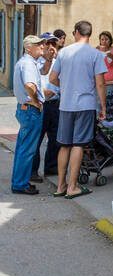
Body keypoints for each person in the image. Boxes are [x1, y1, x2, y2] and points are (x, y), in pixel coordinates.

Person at [48, 20, 107, 200]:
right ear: (90, 34)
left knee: (64, 144)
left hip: (66, 103)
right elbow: (100, 83)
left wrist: (64, 87)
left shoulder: (63, 52)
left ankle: (61, 185)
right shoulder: (95, 54)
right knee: (78, 144)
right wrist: (103, 106)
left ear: (76, 32)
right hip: (85, 103)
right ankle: (73, 186)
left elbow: (52, 78)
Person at [11, 35, 46, 195]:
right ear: (28, 48)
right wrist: (36, 101)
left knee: (22, 148)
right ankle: (20, 184)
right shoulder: (28, 64)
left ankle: (19, 182)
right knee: (27, 150)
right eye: (38, 45)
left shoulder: (25, 62)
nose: (42, 47)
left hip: (24, 108)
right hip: (30, 109)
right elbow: (30, 85)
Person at [31, 33, 60, 185]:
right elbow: (42, 74)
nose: (51, 47)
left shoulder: (59, 62)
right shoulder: (37, 62)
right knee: (36, 139)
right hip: (40, 105)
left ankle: (51, 167)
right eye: (48, 43)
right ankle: (33, 171)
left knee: (55, 139)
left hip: (55, 105)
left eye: (54, 44)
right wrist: (48, 59)